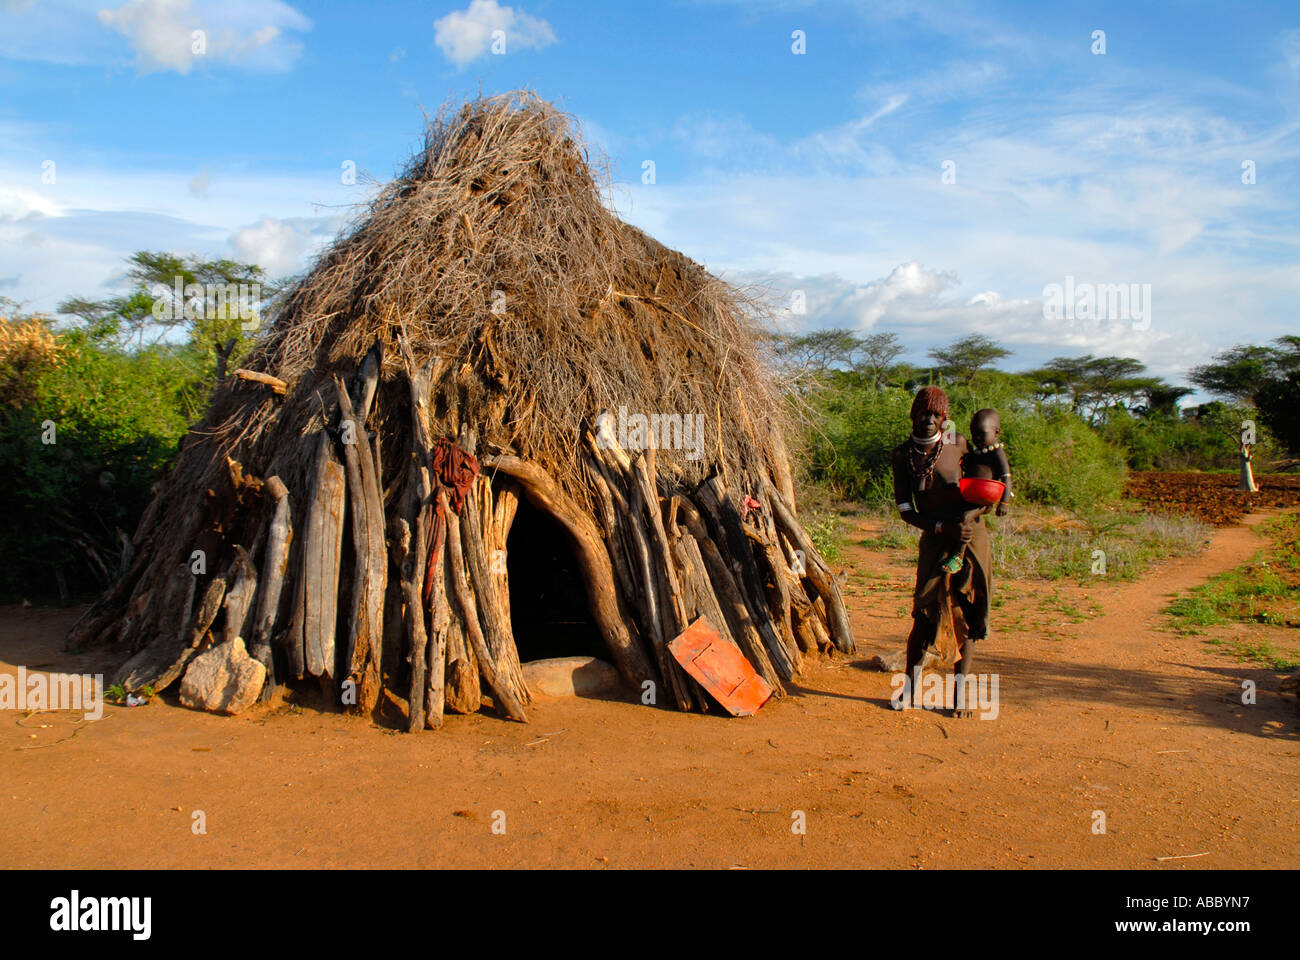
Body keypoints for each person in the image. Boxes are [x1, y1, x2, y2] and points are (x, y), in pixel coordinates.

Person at [890, 386, 994, 718]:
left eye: (936, 414)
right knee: (925, 610)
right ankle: (908, 689)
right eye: (924, 413)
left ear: (944, 417)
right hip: (935, 535)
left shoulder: (958, 444)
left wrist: (967, 520)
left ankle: (959, 695)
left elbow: (985, 493)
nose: (929, 420)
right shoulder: (902, 455)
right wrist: (939, 529)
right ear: (913, 414)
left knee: (964, 609)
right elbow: (906, 510)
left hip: (969, 533)